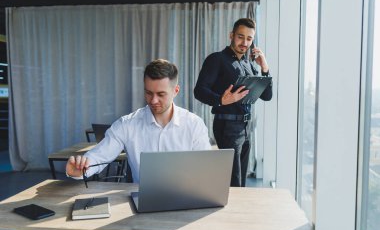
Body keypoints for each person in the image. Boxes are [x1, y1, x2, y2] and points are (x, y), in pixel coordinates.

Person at [66, 59, 211, 182]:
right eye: (148, 93)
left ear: (176, 91)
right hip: (141, 203)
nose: (153, 100)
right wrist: (82, 168)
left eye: (161, 94)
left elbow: (207, 170)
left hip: (186, 200)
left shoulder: (194, 125)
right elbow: (100, 154)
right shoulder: (127, 124)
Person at [194, 18, 272, 187]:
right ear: (231, 35)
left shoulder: (249, 64)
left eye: (249, 39)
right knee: (233, 182)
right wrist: (221, 100)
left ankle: (239, 211)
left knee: (240, 181)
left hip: (245, 127)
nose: (245, 42)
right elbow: (199, 91)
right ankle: (229, 212)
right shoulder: (217, 59)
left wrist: (264, 67)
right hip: (227, 125)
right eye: (240, 37)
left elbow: (267, 96)